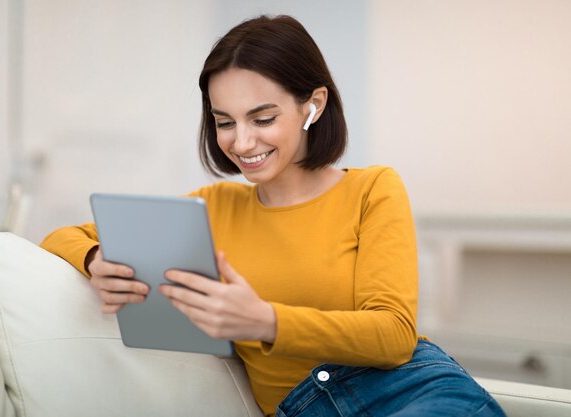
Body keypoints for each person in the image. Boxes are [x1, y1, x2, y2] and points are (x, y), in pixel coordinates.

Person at [41, 15, 506, 417]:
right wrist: (96, 259)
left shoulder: (372, 189)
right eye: (225, 122)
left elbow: (394, 334)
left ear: (313, 106)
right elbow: (60, 237)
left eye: (262, 119)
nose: (241, 143)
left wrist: (265, 321)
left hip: (409, 391)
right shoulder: (212, 208)